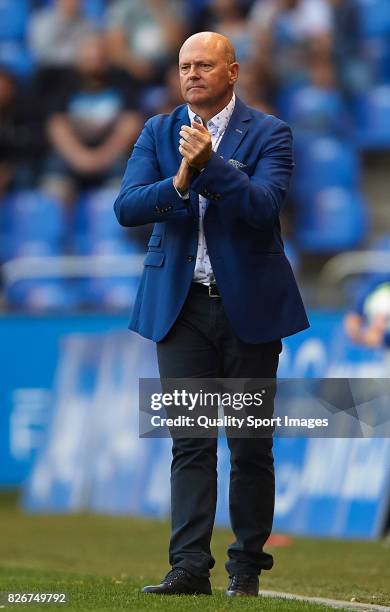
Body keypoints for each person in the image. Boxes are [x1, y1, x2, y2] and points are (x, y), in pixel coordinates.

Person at [114, 31, 309, 597]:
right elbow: (127, 206)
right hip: (181, 308)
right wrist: (179, 179)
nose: (192, 74)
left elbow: (262, 207)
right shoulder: (157, 130)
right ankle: (188, 568)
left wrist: (212, 166)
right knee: (190, 440)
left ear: (233, 72)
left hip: (250, 308)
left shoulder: (271, 133)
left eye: (204, 65)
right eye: (184, 66)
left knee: (250, 444)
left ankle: (246, 566)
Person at [41, 34, 142, 205]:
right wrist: (81, 158)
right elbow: (57, 126)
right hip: (72, 153)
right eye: (89, 58)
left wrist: (102, 157)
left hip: (113, 154)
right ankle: (59, 230)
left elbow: (130, 123)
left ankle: (113, 228)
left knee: (127, 182)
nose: (94, 63)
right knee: (53, 185)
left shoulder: (122, 78)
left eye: (99, 58)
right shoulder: (66, 81)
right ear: (79, 59)